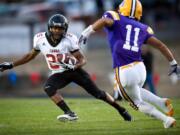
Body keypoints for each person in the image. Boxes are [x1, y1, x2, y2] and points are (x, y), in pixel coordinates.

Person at [0, 14, 132, 122]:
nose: (57, 31)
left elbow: (83, 59)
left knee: (98, 94)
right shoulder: (40, 39)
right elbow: (30, 56)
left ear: (65, 29)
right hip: (58, 73)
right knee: (48, 87)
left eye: (60, 28)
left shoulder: (70, 39)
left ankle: (121, 109)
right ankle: (70, 113)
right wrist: (11, 65)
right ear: (49, 28)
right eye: (54, 28)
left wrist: (75, 65)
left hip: (74, 71)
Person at [79, 0, 180, 128]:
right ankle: (161, 102)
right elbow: (161, 45)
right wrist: (173, 63)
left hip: (125, 70)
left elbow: (105, 21)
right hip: (140, 68)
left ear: (123, 8)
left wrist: (86, 32)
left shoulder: (115, 17)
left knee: (135, 102)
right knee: (135, 90)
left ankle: (166, 119)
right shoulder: (143, 28)